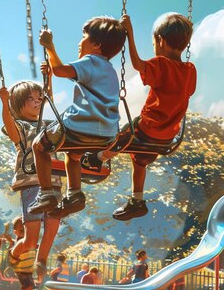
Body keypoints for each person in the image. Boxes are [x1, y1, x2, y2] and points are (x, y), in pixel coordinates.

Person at [83, 13, 196, 221]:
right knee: (140, 162)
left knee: (123, 136)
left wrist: (130, 34)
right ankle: (137, 200)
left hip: (148, 128)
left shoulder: (161, 64)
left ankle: (96, 158)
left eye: (154, 42)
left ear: (160, 41)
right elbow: (186, 92)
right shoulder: (189, 70)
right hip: (168, 136)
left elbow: (138, 65)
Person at [27, 16, 126, 219]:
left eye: (84, 37)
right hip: (106, 134)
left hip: (78, 126)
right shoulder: (110, 70)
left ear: (97, 45)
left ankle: (46, 193)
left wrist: (49, 46)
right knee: (73, 155)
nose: (79, 42)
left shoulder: (90, 61)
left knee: (39, 145)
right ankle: (74, 194)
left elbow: (60, 70)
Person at [0, 69, 61, 285]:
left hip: (53, 181)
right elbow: (9, 124)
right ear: (19, 106)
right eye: (31, 99)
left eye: (38, 98)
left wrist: (49, 79)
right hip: (32, 182)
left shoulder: (48, 126)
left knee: (53, 225)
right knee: (31, 239)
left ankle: (41, 261)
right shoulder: (22, 127)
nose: (37, 102)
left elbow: (49, 102)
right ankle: (15, 253)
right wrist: (5, 103)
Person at [5, 216, 36, 290]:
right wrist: (9, 241)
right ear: (15, 232)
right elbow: (12, 251)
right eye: (20, 230)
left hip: (28, 269)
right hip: (21, 269)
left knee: (25, 289)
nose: (23, 231)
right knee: (30, 287)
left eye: (25, 229)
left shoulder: (29, 241)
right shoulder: (17, 242)